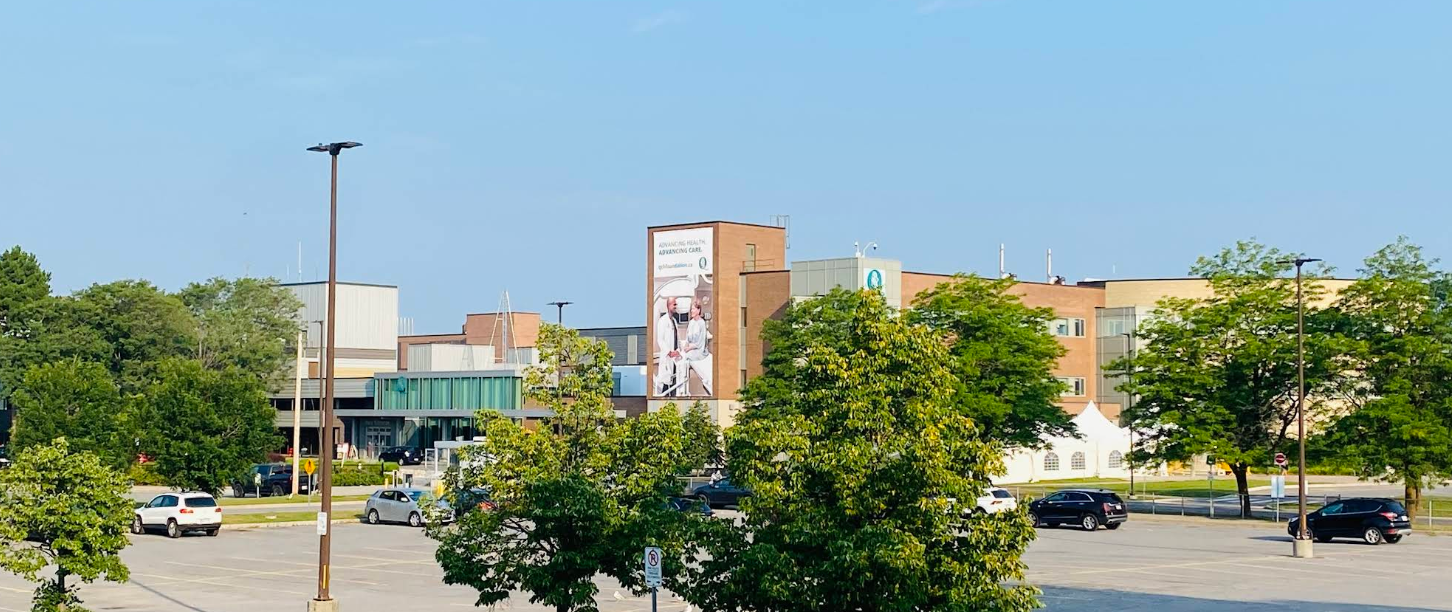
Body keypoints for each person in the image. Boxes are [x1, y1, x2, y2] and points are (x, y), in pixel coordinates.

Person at [682, 301, 712, 395]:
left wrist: (690, 348)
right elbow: (687, 337)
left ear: (698, 310)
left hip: (699, 350)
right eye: (691, 308)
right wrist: (685, 346)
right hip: (690, 347)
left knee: (687, 356)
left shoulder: (701, 323)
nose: (691, 310)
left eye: (694, 308)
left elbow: (700, 342)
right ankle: (681, 384)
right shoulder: (691, 322)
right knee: (681, 355)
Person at [654, 297, 681, 396]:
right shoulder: (662, 321)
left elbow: (677, 338)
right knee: (666, 383)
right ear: (668, 305)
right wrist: (669, 352)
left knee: (674, 381)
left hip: (674, 358)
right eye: (674, 304)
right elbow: (660, 339)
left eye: (676, 304)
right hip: (667, 357)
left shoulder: (674, 321)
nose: (675, 306)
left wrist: (678, 351)